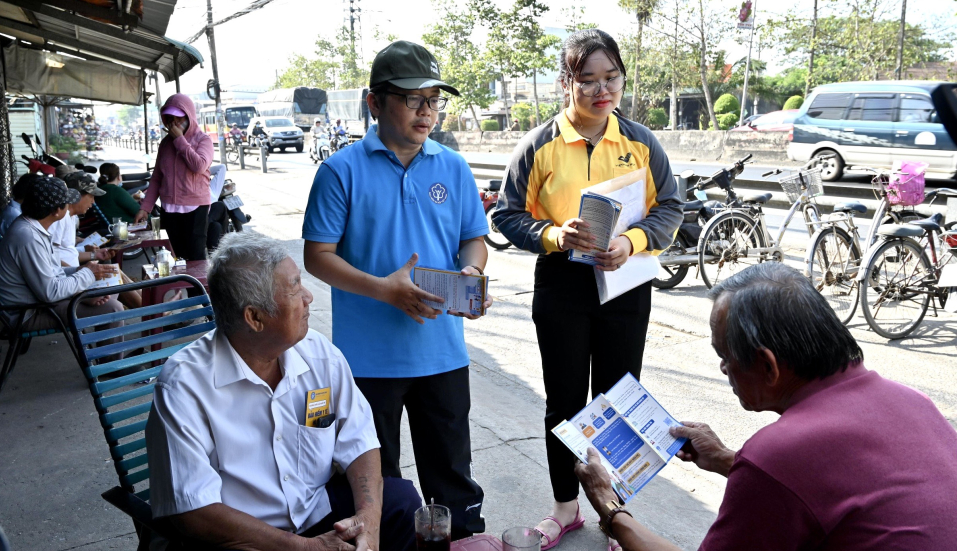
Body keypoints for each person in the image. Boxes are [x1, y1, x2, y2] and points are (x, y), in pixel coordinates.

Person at [574, 262, 957, 551]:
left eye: (725, 356)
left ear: (768, 365)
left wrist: (611, 509)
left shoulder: (780, 452)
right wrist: (728, 459)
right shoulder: (912, 400)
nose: (723, 368)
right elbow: (827, 487)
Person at [492, 28, 681, 550]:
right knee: (566, 402)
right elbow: (506, 215)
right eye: (588, 80)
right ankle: (565, 508)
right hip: (562, 284)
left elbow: (671, 208)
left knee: (619, 401)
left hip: (625, 282)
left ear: (622, 78)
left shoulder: (641, 143)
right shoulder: (539, 146)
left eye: (611, 78)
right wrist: (554, 234)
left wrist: (633, 240)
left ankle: (615, 514)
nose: (603, 90)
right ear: (566, 82)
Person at [303, 40, 492, 540]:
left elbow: (473, 238)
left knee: (451, 476)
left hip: (442, 354)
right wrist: (385, 291)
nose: (427, 111)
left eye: (434, 99)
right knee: (376, 485)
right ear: (375, 102)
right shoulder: (339, 171)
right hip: (367, 363)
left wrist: (470, 274)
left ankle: (460, 543)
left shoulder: (451, 166)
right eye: (413, 99)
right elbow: (317, 256)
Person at [146, 233, 421, 551]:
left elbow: (359, 441)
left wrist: (368, 523)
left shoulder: (318, 354)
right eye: (295, 289)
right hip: (244, 535)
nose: (309, 297)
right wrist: (303, 548)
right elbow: (194, 511)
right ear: (255, 317)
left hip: (315, 509)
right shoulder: (184, 386)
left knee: (401, 504)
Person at [0, 176, 122, 338]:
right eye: (67, 203)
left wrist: (80, 271)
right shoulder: (28, 237)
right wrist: (86, 277)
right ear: (56, 211)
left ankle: (98, 357)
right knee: (113, 308)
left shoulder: (34, 227)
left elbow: (54, 272)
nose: (69, 206)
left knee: (111, 286)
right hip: (28, 313)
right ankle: (107, 363)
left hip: (40, 302)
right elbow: (50, 292)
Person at [135, 94, 213, 261]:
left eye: (178, 118)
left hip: (195, 207)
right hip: (169, 208)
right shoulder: (165, 144)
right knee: (175, 257)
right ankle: (180, 287)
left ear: (189, 116)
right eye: (170, 118)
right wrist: (145, 208)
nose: (174, 123)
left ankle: (197, 288)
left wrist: (180, 140)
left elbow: (199, 166)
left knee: (195, 258)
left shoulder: (203, 140)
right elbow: (156, 178)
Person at [50, 172, 141, 309]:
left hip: (75, 274)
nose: (93, 202)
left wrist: (95, 255)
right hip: (69, 281)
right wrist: (81, 270)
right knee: (113, 274)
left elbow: (66, 252)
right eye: (91, 196)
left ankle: (153, 304)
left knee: (114, 271)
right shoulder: (60, 219)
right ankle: (156, 314)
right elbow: (52, 259)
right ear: (77, 195)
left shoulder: (69, 217)